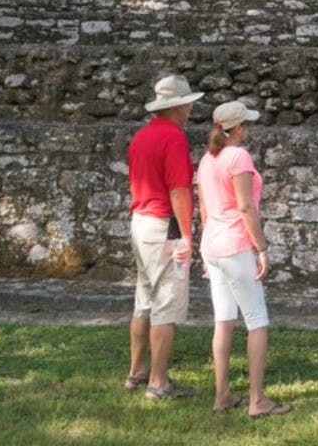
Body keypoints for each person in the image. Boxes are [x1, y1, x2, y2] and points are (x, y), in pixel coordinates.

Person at [196, 100, 290, 418]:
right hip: (235, 246)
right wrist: (261, 247)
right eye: (246, 124)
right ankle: (257, 400)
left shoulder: (207, 159)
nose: (248, 128)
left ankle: (222, 394)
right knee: (257, 321)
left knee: (224, 320)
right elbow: (246, 207)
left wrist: (206, 244)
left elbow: (205, 209)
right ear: (236, 128)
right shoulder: (238, 157)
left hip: (213, 245)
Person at [125, 74, 202, 401]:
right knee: (166, 305)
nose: (190, 110)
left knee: (144, 300)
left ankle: (137, 371)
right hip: (163, 225)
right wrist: (186, 235)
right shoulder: (174, 138)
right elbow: (179, 190)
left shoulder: (141, 137)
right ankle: (158, 382)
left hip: (141, 221)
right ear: (177, 107)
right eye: (187, 105)